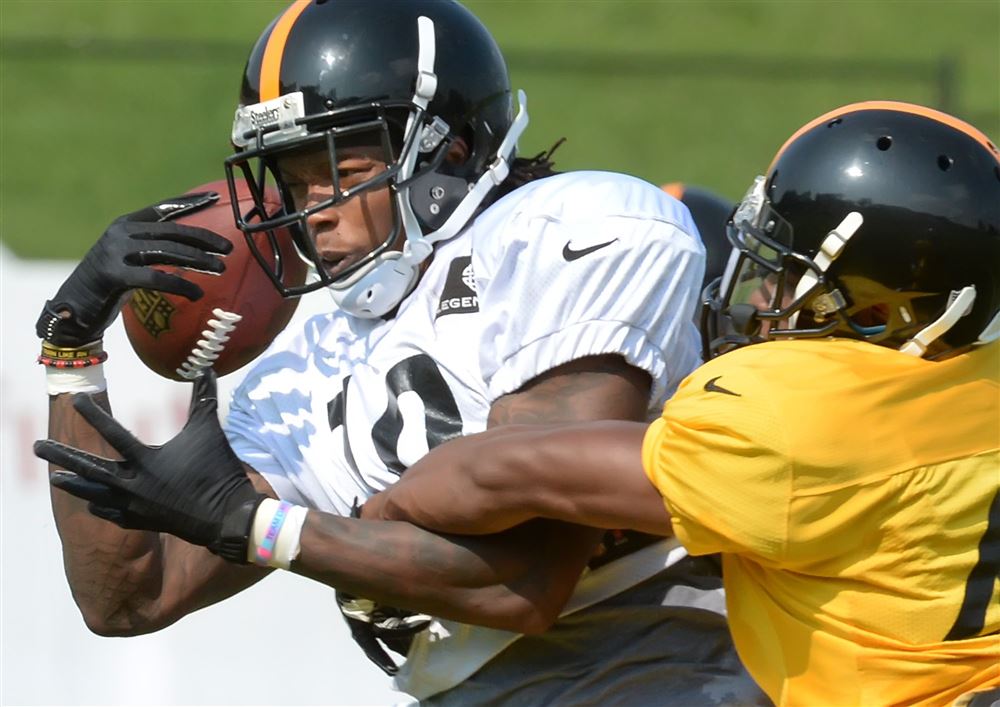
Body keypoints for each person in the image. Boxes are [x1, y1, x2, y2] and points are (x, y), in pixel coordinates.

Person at [33, 1, 765, 704]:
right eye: (295, 181)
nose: (314, 212)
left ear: (448, 154)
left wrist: (260, 527)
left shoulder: (570, 230)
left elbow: (528, 577)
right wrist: (72, 348)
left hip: (655, 656)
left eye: (343, 174)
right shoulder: (304, 368)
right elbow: (127, 597)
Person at [357, 101, 1000, 706]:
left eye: (785, 275)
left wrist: (376, 515)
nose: (759, 295)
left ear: (876, 314)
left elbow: (503, 470)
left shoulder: (793, 416)